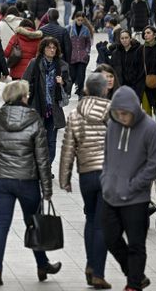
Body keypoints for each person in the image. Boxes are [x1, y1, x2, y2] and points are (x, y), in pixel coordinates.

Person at [0, 80, 60, 286]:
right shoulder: (34, 119)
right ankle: (42, 264)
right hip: (27, 181)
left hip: (1, 180)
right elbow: (42, 157)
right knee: (34, 223)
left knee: (1, 223)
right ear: (23, 97)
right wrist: (47, 189)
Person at [101, 86, 156, 291]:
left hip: (136, 198)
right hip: (111, 194)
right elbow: (108, 156)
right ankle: (135, 274)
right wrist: (106, 179)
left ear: (134, 109)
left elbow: (154, 165)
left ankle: (133, 285)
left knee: (136, 244)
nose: (122, 116)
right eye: (118, 112)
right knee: (110, 239)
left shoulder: (150, 129)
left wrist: (134, 186)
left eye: (125, 112)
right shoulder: (112, 125)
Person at [59, 73, 112, 289]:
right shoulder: (111, 110)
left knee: (91, 219)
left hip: (86, 174)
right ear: (105, 90)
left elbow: (68, 146)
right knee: (103, 224)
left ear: (87, 90)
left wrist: (64, 177)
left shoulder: (75, 112)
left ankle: (90, 265)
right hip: (108, 173)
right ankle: (97, 271)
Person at [22, 37, 72, 165]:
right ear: (43, 49)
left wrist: (63, 82)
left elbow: (69, 85)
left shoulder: (62, 65)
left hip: (54, 108)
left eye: (54, 48)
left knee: (51, 140)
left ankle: (47, 166)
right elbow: (24, 81)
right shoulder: (35, 63)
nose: (51, 50)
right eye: (49, 47)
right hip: (37, 106)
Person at [110, 30, 143, 98]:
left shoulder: (138, 51)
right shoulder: (115, 53)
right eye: (122, 38)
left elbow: (141, 69)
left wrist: (139, 86)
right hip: (121, 85)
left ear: (130, 38)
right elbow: (112, 69)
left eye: (126, 38)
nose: (124, 40)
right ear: (120, 39)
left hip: (135, 85)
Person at [68, 12, 94, 99]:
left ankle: (80, 93)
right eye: (78, 20)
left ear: (83, 20)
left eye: (81, 20)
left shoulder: (86, 29)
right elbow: (66, 41)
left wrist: (87, 51)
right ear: (75, 19)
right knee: (72, 75)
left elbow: (88, 42)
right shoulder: (69, 28)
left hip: (82, 56)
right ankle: (68, 91)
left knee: (81, 75)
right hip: (72, 56)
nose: (79, 22)